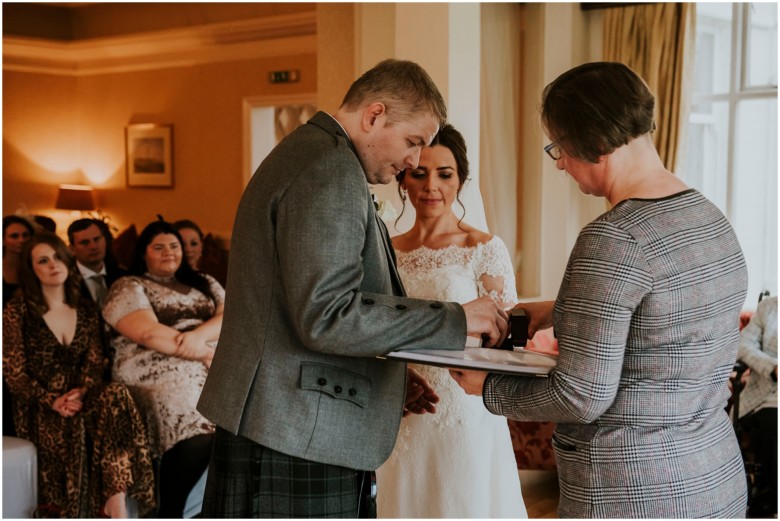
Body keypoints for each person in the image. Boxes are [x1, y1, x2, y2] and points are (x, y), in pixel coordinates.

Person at [196, 58, 509, 518]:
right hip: (295, 429)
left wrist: (386, 377)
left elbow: (299, 304)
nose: (414, 161)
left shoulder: (310, 154)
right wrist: (458, 318)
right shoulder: (330, 170)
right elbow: (327, 315)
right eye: (413, 142)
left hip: (286, 420)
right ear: (374, 116)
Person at [451, 62, 749, 518]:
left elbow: (581, 396)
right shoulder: (710, 219)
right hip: (713, 477)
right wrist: (553, 311)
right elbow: (663, 311)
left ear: (597, 144)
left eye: (561, 149)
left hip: (630, 492)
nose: (561, 165)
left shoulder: (613, 238)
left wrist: (488, 386)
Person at [375, 124, 527, 518]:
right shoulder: (386, 251)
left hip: (464, 410)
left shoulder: (483, 249)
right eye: (420, 173)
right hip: (403, 408)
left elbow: (511, 339)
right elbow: (372, 327)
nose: (432, 187)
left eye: (445, 174)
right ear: (403, 179)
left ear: (461, 181)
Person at [2, 232, 155, 518]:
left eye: (58, 257)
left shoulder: (85, 309)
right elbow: (14, 374)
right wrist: (52, 400)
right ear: (31, 268)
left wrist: (82, 392)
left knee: (116, 394)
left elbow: (96, 361)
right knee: (76, 428)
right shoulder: (16, 310)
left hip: (81, 396)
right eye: (43, 261)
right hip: (40, 407)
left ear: (69, 261)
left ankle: (116, 497)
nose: (53, 265)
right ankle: (92, 506)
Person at [102, 219, 224, 518]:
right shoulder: (129, 285)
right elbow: (147, 333)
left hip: (208, 359)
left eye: (174, 246)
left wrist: (198, 340)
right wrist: (203, 351)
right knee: (196, 419)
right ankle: (168, 510)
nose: (169, 252)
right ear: (143, 253)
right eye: (158, 247)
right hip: (153, 366)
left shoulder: (204, 281)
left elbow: (230, 316)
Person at [735, 295, 777, 517]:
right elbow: (743, 346)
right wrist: (773, 367)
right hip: (770, 397)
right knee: (774, 424)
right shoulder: (770, 307)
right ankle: (768, 504)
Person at [67, 218, 128, 308]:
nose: (93, 246)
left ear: (105, 241)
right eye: (85, 242)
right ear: (72, 249)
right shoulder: (66, 281)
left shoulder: (124, 277)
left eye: (97, 239)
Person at [3, 215, 35, 306]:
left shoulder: (37, 265)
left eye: (25, 235)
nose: (21, 240)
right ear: (3, 240)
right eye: (14, 236)